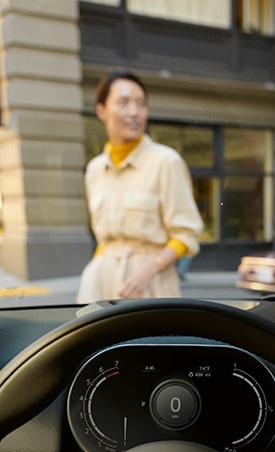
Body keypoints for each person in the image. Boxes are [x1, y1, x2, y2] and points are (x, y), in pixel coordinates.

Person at [77, 71, 204, 303]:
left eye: (141, 104)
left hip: (151, 284)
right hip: (99, 282)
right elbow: (104, 240)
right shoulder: (95, 169)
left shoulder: (166, 162)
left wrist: (148, 272)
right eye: (123, 103)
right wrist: (94, 273)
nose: (134, 112)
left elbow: (186, 234)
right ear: (101, 110)